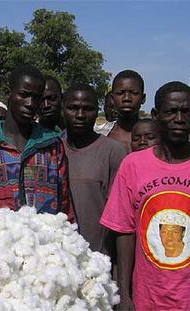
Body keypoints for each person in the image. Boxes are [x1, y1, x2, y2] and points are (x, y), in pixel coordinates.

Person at [100, 81, 190, 310]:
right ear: (156, 114)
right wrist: (125, 294)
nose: (179, 119)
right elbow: (124, 232)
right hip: (146, 298)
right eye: (171, 112)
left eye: (187, 111)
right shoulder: (133, 165)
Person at [0, 65, 74, 222]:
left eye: (36, 97)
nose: (30, 103)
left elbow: (64, 205)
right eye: (23, 95)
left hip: (47, 243)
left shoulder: (53, 145)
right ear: (8, 93)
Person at [62, 83, 126, 252]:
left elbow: (120, 216)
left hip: (99, 258)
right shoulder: (52, 150)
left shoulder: (113, 152)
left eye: (88, 109)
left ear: (97, 110)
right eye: (73, 108)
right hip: (57, 260)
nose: (80, 115)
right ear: (63, 109)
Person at [108, 70, 146, 153]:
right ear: (112, 98)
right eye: (120, 93)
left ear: (143, 99)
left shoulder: (155, 137)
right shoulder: (101, 135)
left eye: (134, 93)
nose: (127, 98)